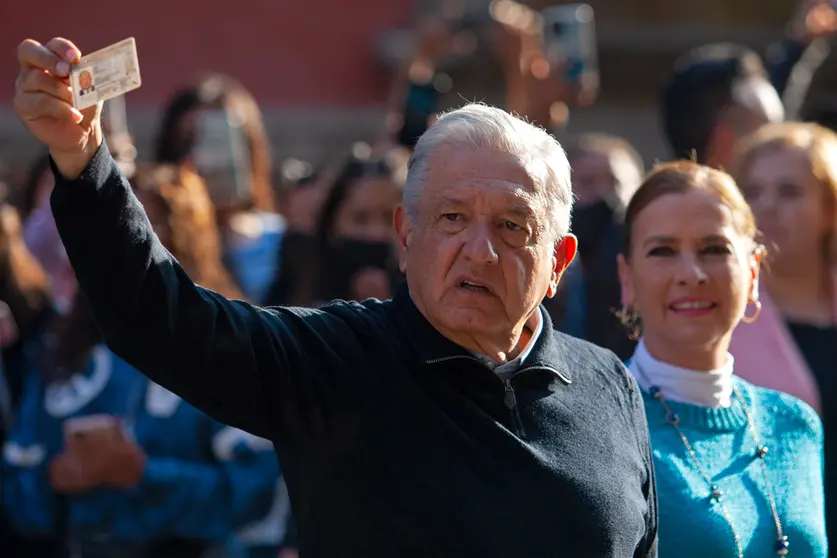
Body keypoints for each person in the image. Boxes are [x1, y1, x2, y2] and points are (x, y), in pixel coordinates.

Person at [13, 37, 658, 557]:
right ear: (406, 238)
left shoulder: (609, 386)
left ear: (559, 262)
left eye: (513, 227)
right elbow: (161, 317)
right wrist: (82, 159)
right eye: (452, 219)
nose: (480, 251)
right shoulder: (332, 361)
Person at [617, 161, 826, 557]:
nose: (691, 273)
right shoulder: (603, 427)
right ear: (627, 278)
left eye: (714, 249)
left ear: (752, 270)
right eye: (663, 250)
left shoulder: (796, 425)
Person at [729, 122, 837, 549]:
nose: (766, 207)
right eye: (752, 192)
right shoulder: (717, 317)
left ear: (830, 207)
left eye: (789, 192)